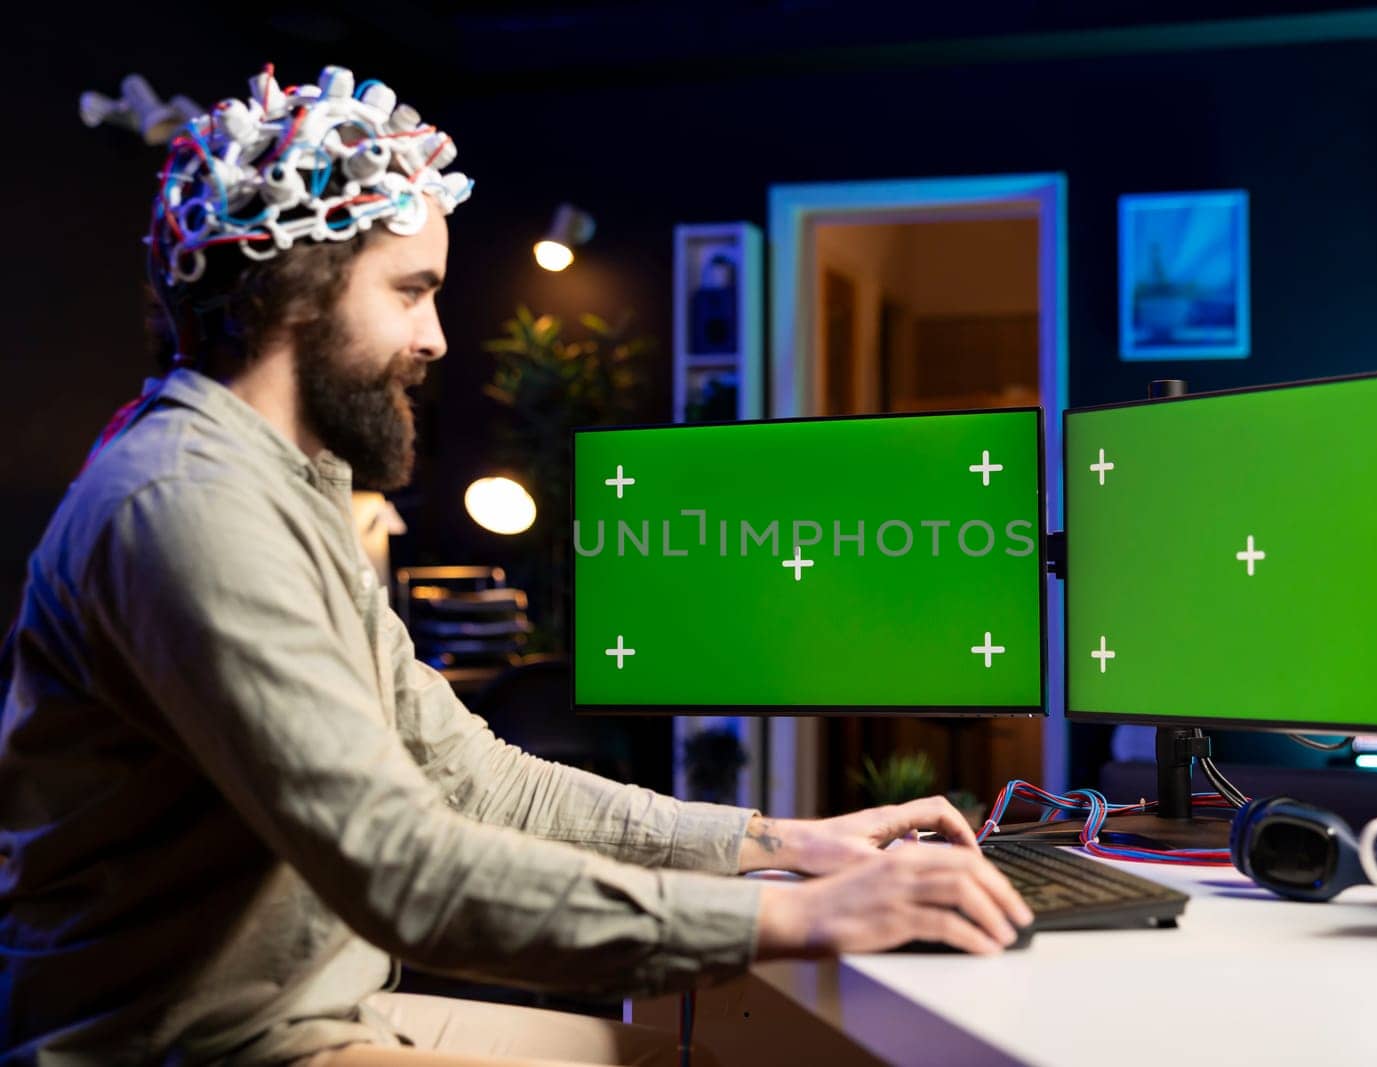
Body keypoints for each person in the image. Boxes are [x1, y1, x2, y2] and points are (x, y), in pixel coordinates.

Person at [0, 64, 1031, 1066]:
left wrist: (779, 840)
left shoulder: (292, 488)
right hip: (187, 1045)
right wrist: (794, 911)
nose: (438, 336)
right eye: (412, 292)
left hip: (312, 1014)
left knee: (702, 1053)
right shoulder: (189, 504)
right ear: (296, 293)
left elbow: (475, 776)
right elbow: (402, 868)